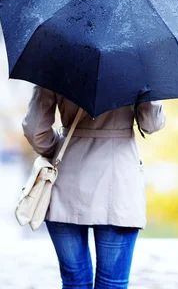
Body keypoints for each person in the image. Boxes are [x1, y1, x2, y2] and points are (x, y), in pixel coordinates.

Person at [22, 85, 165, 289]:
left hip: (66, 183)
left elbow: (34, 130)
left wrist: (62, 147)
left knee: (74, 282)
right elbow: (152, 124)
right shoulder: (138, 65)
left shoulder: (55, 61)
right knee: (112, 284)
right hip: (119, 184)